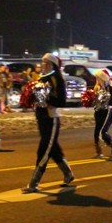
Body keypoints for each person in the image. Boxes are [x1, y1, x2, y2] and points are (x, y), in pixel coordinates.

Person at [22, 54, 74, 192]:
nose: (42, 65)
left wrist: (47, 97)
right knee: (53, 148)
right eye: (42, 62)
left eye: (45, 63)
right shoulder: (41, 78)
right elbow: (37, 98)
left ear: (52, 65)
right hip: (41, 117)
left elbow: (61, 101)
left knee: (44, 149)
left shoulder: (56, 79)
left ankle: (34, 182)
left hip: (52, 118)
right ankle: (68, 173)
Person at [92, 69, 112, 158]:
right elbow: (94, 100)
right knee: (100, 132)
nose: (97, 79)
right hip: (98, 111)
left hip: (107, 111)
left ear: (102, 78)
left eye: (98, 77)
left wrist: (107, 101)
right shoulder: (96, 87)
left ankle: (99, 151)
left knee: (100, 131)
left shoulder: (109, 88)